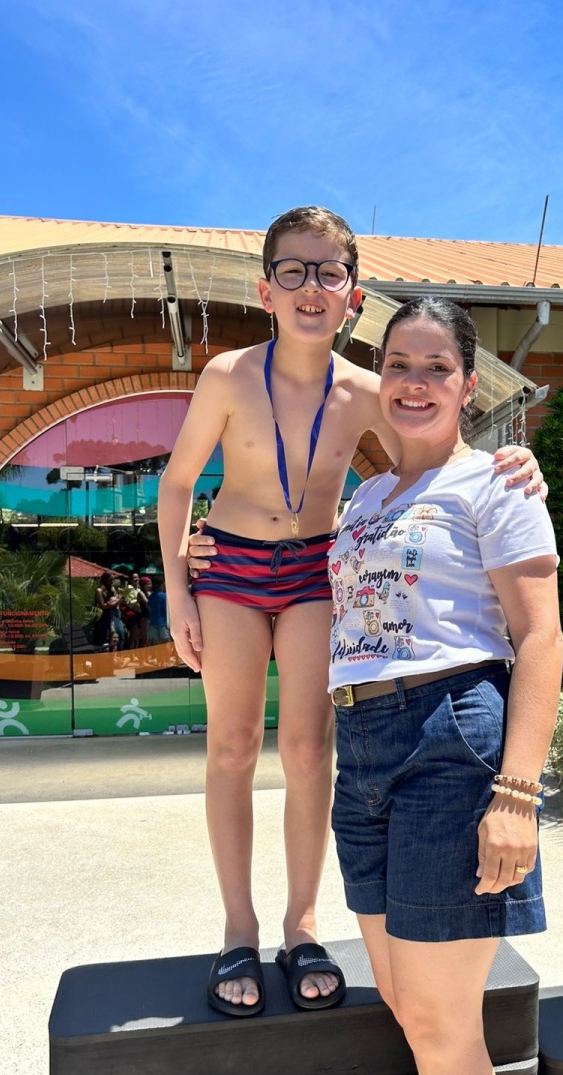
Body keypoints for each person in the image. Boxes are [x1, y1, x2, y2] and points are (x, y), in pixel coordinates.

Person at [159, 205, 543, 1018]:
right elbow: (177, 481)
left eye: (328, 272)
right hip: (229, 568)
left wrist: (514, 462)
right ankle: (238, 927)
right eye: (293, 270)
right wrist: (176, 587)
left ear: (353, 297)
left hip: (313, 570)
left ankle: (302, 926)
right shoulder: (228, 374)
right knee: (231, 745)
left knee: (308, 749)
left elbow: (431, 462)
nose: (311, 286)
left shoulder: (371, 390)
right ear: (265, 289)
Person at [326, 297, 562, 1075]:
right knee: (406, 1001)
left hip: (450, 739)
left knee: (440, 1020)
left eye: (437, 368)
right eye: (399, 365)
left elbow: (540, 637)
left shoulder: (497, 483)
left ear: (468, 386)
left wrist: (517, 796)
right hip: (363, 744)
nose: (414, 383)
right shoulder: (365, 497)